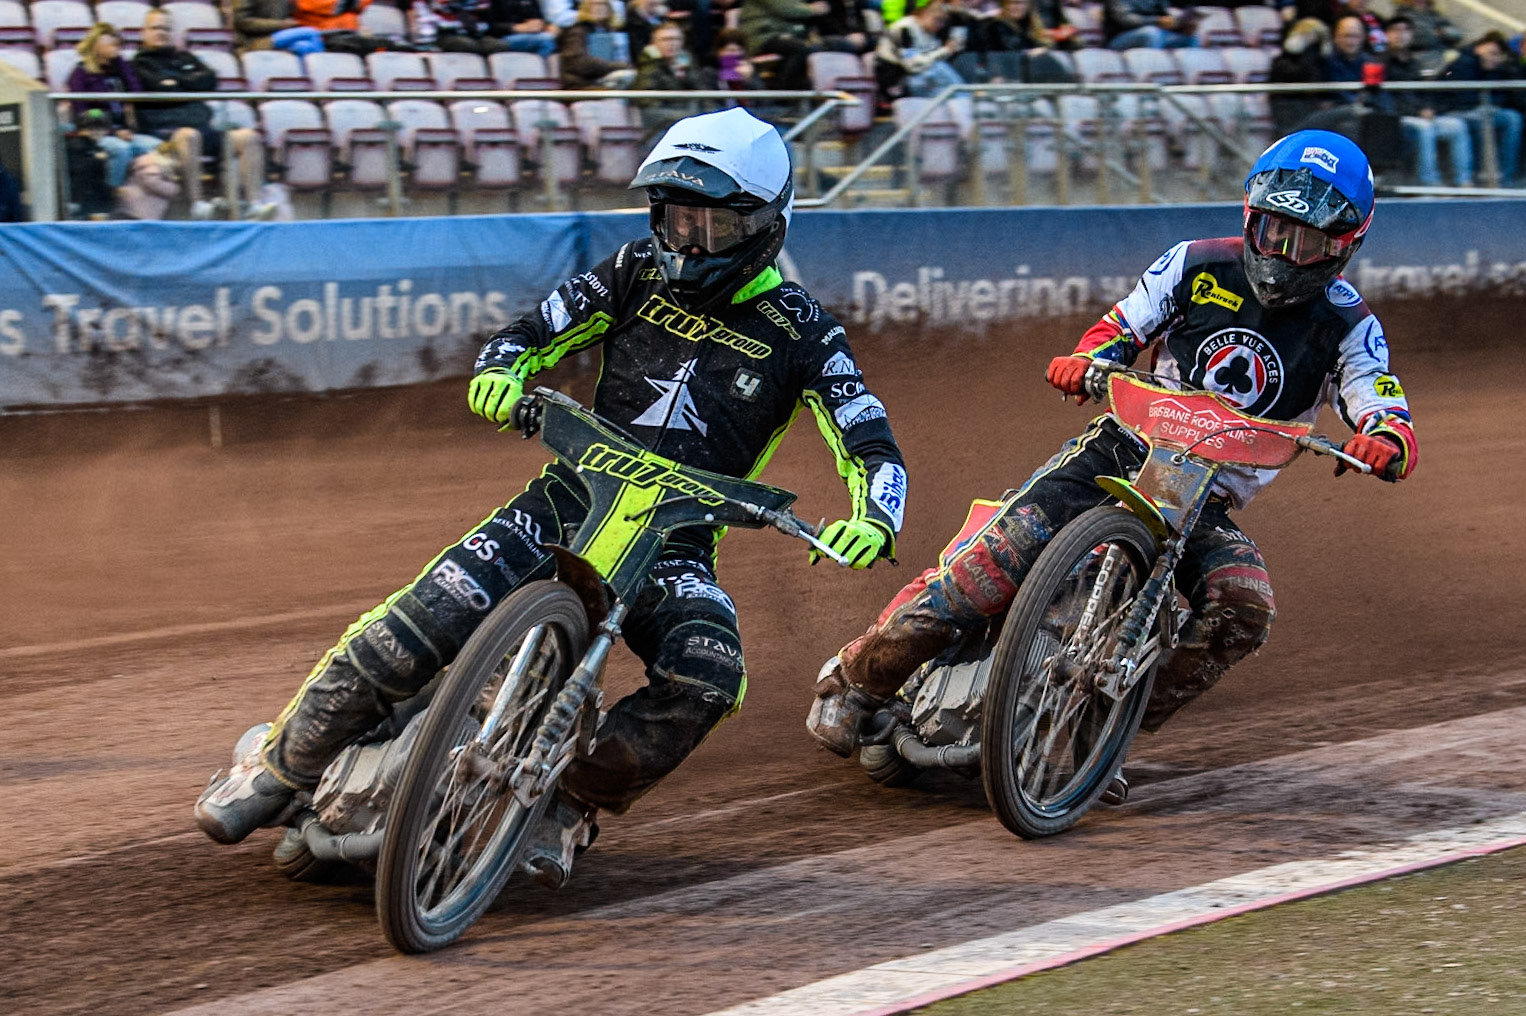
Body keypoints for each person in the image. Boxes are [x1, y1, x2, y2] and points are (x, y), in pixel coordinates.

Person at [194, 108, 909, 890]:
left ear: (767, 223)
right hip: (565, 500)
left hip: (673, 546)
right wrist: (501, 371)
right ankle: (279, 767)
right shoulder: (633, 268)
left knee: (711, 675)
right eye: (675, 217)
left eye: (712, 223)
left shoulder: (804, 331)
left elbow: (867, 435)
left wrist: (875, 515)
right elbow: (531, 331)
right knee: (422, 618)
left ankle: (567, 806)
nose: (689, 240)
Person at [806, 130, 1418, 802]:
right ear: (1251, 217)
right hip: (1123, 446)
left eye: (1307, 241)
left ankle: (1099, 729)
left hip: (1205, 498)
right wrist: (1087, 360)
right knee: (990, 561)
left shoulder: (1349, 324)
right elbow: (1121, 326)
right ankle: (856, 682)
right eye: (1274, 232)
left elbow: (1377, 394)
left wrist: (1383, 438)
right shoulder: (1193, 264)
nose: (1284, 254)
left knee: (1244, 608)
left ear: (1345, 243)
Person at [132, 9, 271, 218]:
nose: (161, 32)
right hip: (165, 134)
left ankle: (254, 204)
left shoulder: (184, 56)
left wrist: (176, 82)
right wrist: (188, 82)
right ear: (144, 32)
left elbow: (210, 79)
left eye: (166, 28)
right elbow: (157, 89)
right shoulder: (137, 64)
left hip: (204, 128)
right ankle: (197, 205)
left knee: (249, 138)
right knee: (189, 135)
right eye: (155, 27)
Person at [66, 24, 162, 190]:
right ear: (96, 44)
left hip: (125, 132)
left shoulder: (118, 70)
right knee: (121, 149)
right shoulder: (80, 73)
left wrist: (121, 64)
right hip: (97, 133)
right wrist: (113, 131)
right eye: (112, 44)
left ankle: (139, 196)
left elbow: (136, 93)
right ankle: (113, 194)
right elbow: (83, 113)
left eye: (118, 45)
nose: (116, 49)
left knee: (158, 147)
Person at [1384, 13, 1472, 186]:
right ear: (1387, 34)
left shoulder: (1415, 63)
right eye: (1395, 30)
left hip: (1421, 115)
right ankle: (1430, 183)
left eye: (1406, 30)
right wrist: (1417, 111)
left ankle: (1464, 181)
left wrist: (1430, 108)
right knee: (1424, 129)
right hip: (1397, 118)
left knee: (1457, 126)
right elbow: (1387, 100)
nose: (1401, 34)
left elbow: (1424, 93)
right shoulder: (1381, 63)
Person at [1438, 32, 1523, 187]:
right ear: (1479, 49)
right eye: (1491, 53)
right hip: (1456, 111)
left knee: (1513, 118)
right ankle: (1467, 179)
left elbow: (1502, 96)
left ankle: (1505, 176)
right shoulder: (1462, 64)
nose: (1494, 58)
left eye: (1498, 55)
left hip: (1484, 111)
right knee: (1479, 120)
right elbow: (1462, 98)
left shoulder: (1496, 69)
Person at [875, 0, 966, 101]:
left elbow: (930, 60)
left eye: (944, 21)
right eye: (938, 20)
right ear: (924, 13)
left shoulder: (929, 34)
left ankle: (962, 98)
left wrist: (947, 51)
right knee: (938, 71)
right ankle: (961, 99)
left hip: (917, 77)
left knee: (941, 70)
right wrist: (945, 51)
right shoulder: (904, 28)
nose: (941, 25)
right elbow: (912, 66)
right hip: (895, 78)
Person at [558, 0, 637, 87]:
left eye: (602, 5)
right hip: (581, 84)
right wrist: (617, 66)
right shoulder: (577, 32)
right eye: (595, 5)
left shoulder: (610, 32)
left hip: (604, 80)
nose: (598, 9)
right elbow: (580, 63)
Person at [1103, 0, 1197, 51]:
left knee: (1190, 38)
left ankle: (1193, 83)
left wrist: (1181, 25)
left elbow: (1165, 14)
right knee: (1152, 33)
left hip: (1157, 33)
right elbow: (1126, 20)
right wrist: (1156, 21)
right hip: (1118, 39)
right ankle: (1154, 75)